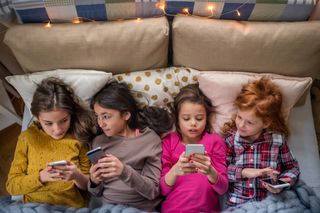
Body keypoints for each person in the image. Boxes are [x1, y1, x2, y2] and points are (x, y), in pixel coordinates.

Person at [6, 77, 95, 208]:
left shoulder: (78, 137)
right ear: (37, 118)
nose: (57, 130)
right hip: (34, 208)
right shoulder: (27, 138)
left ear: (70, 114)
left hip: (70, 208)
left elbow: (89, 188)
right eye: (48, 123)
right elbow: (12, 186)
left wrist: (77, 175)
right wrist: (41, 177)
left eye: (64, 120)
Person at [88, 81, 173, 212]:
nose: (101, 124)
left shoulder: (149, 140)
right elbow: (96, 193)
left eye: (106, 117)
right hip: (109, 208)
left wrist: (124, 171)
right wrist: (94, 181)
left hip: (139, 209)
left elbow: (153, 191)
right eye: (97, 117)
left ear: (126, 115)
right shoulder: (98, 142)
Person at [222, 78, 300, 206]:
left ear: (266, 123)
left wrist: (281, 183)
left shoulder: (277, 141)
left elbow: (293, 168)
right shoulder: (230, 140)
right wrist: (244, 172)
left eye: (250, 122)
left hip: (270, 202)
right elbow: (221, 170)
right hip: (239, 203)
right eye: (239, 117)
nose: (241, 125)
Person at [160, 84, 228, 212]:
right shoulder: (169, 141)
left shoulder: (215, 141)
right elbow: (162, 190)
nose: (193, 123)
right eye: (186, 118)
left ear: (206, 118)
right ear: (177, 120)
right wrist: (175, 171)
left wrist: (210, 172)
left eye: (199, 118)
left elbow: (223, 189)